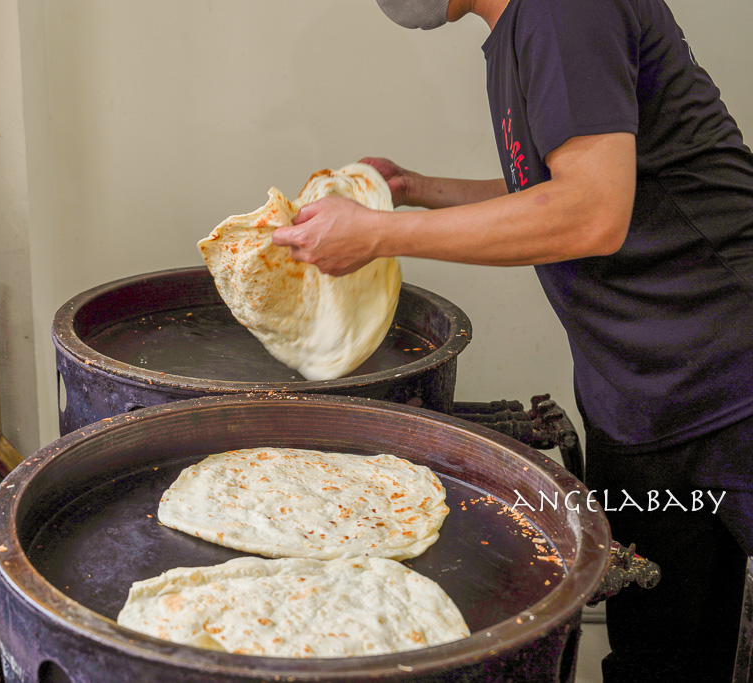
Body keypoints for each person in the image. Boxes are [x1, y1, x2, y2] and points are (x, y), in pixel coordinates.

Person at [272, 0, 753, 681]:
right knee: (660, 654)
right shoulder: (518, 33)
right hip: (642, 396)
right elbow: (550, 188)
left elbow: (592, 211)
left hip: (728, 378)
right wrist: (412, 189)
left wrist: (376, 234)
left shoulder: (564, 10)